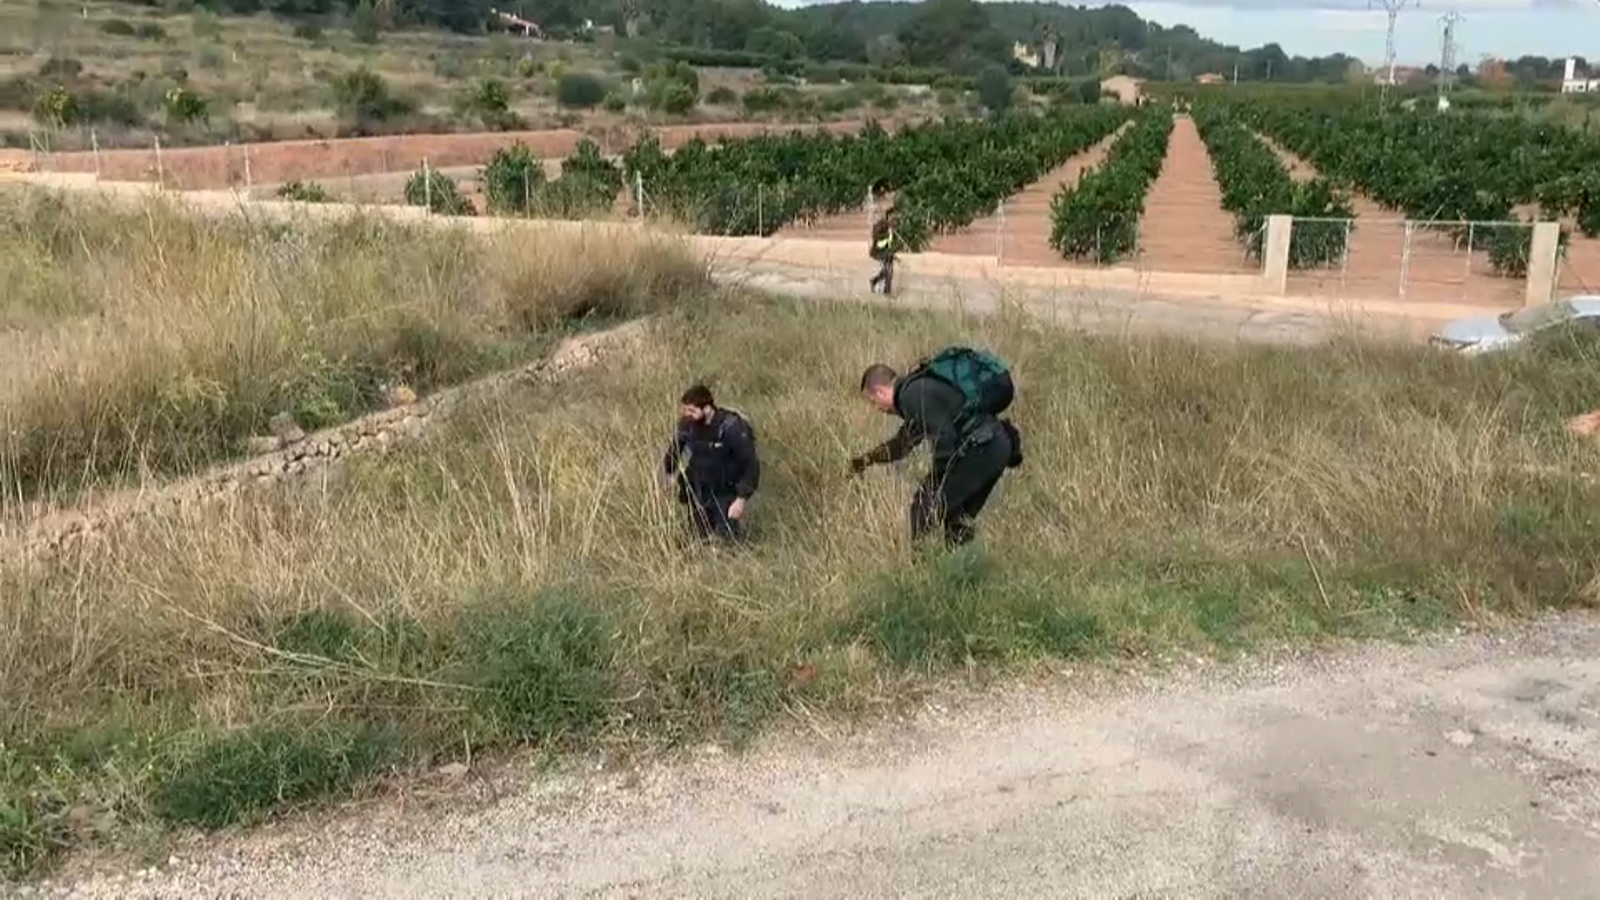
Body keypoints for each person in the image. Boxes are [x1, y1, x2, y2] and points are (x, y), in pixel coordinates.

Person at [848, 347, 1022, 548]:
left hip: (984, 447)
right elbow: (900, 445)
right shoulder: (916, 393)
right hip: (996, 446)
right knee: (956, 518)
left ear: (880, 391)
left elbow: (945, 441)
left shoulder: (912, 396)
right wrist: (865, 460)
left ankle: (921, 569)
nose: (877, 409)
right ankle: (963, 572)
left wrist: (936, 480)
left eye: (873, 402)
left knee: (925, 507)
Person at [661, 384, 760, 544]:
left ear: (707, 408)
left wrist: (741, 499)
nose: (687, 415)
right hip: (698, 490)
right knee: (698, 541)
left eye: (692, 411)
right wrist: (669, 475)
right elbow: (675, 449)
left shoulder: (731, 427)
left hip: (726, 492)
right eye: (686, 410)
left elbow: (750, 464)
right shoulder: (688, 425)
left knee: (726, 542)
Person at [869, 205, 899, 296]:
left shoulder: (893, 228)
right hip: (879, 251)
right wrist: (887, 233)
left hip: (888, 252)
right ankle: (887, 292)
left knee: (887, 271)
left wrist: (894, 253)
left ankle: (874, 281)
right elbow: (875, 236)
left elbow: (892, 243)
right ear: (889, 216)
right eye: (894, 216)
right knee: (888, 271)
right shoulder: (882, 224)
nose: (895, 218)